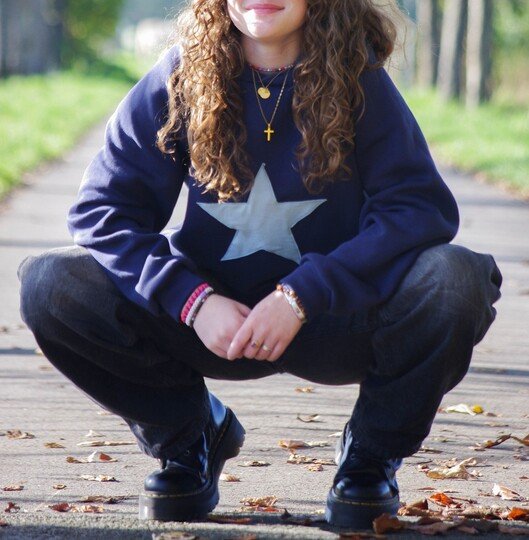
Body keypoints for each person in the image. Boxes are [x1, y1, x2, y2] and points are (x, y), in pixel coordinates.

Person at [18, 0, 502, 530]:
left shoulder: (357, 77)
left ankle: (369, 458)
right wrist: (192, 300)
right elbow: (102, 210)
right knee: (51, 283)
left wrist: (302, 295)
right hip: (209, 325)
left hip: (334, 321)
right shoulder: (182, 74)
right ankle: (189, 439)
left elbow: (418, 208)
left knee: (455, 280)